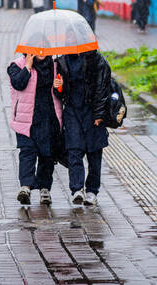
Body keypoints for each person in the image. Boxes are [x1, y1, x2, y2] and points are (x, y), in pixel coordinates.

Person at [55, 50, 110, 206]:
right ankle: (77, 189)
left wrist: (99, 113)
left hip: (93, 112)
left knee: (94, 153)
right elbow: (59, 94)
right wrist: (58, 87)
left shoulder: (97, 59)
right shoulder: (62, 61)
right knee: (74, 150)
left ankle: (92, 191)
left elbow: (103, 88)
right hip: (72, 111)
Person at [8, 53, 63, 205]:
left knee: (47, 155)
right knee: (27, 152)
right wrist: (28, 66)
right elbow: (18, 84)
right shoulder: (17, 65)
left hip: (49, 116)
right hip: (26, 118)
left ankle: (44, 189)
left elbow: (63, 92)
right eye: (37, 48)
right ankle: (25, 187)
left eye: (44, 48)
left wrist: (60, 86)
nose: (41, 52)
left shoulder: (56, 64)